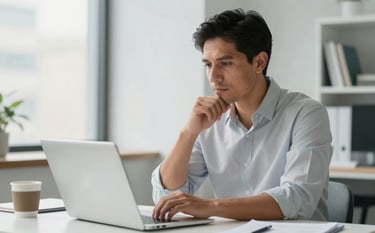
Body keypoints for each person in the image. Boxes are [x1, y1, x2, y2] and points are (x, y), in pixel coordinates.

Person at [151, 8, 332, 221]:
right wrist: (188, 133)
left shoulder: (306, 114)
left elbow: (296, 198)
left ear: (259, 63)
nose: (213, 77)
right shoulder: (208, 122)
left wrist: (211, 206)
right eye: (208, 65)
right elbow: (166, 195)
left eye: (225, 63)